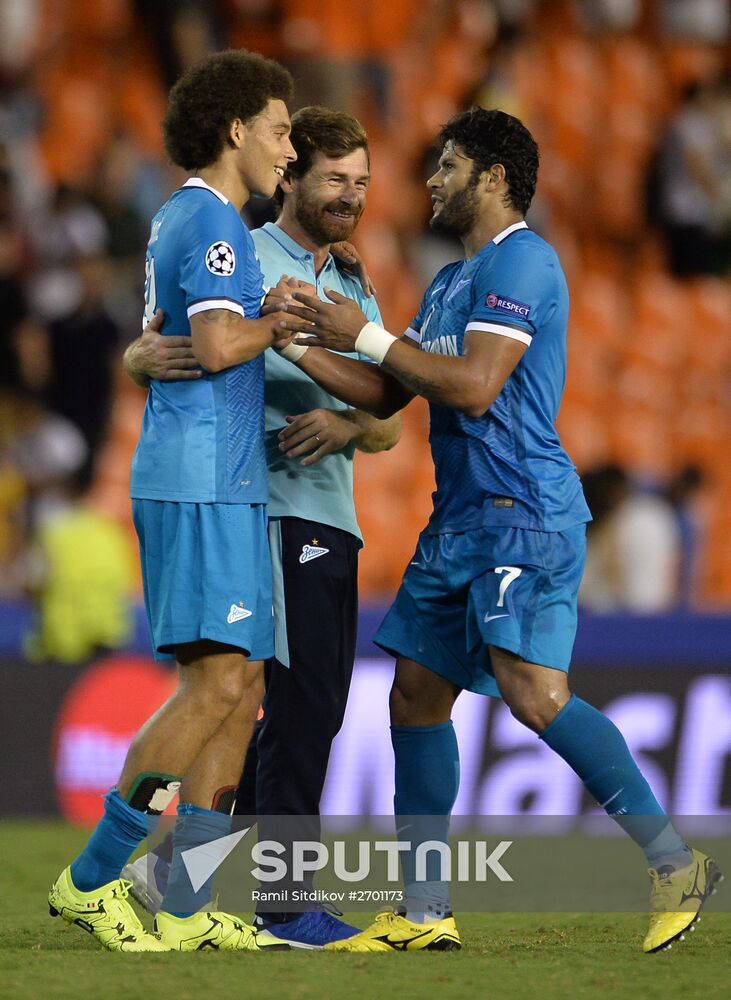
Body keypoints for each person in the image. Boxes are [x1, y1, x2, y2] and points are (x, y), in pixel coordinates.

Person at [274, 108, 722, 954]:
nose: (430, 180)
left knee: (531, 693)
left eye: (445, 165)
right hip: (460, 522)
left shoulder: (526, 260)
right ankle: (422, 911)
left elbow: (475, 386)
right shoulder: (450, 282)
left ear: (491, 175)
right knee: (414, 694)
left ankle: (675, 863)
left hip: (521, 509)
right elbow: (383, 394)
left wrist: (364, 330)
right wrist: (300, 342)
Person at [121, 106, 401, 948]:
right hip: (267, 505)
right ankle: (275, 901)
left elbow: (389, 421)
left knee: (284, 707)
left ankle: (169, 873)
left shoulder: (352, 280)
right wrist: (137, 356)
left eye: (360, 182)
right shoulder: (247, 253)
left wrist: (348, 425)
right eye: (331, 179)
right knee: (280, 706)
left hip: (333, 513)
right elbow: (184, 342)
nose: (350, 196)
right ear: (291, 176)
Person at [48, 48, 297, 953]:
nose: (287, 149)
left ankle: (185, 899)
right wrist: (287, 319)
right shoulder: (210, 219)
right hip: (197, 481)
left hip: (223, 480)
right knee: (215, 682)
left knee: (243, 689)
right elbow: (221, 343)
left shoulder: (198, 217)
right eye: (277, 130)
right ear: (235, 131)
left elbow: (186, 340)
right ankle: (92, 879)